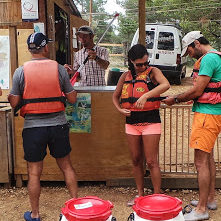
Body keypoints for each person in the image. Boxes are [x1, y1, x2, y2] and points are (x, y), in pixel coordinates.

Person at [8, 32, 78, 221]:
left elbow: (14, 102)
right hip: (58, 126)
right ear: (46, 47)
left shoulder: (20, 71)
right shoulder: (59, 69)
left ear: (29, 50)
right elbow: (72, 98)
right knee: (66, 167)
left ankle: (35, 214)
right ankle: (76, 209)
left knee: (34, 173)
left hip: (33, 128)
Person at [163, 31, 221, 221]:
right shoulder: (215, 56)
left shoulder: (209, 59)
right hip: (211, 113)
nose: (190, 54)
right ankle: (210, 198)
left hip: (207, 116)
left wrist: (176, 98)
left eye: (189, 50)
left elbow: (197, 89)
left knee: (200, 162)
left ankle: (202, 209)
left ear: (196, 43)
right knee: (208, 157)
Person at [112, 44, 170, 206]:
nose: (143, 67)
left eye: (145, 63)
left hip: (151, 120)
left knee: (151, 161)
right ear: (131, 61)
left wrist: (146, 96)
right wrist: (120, 110)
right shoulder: (125, 75)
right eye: (139, 64)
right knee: (136, 160)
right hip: (131, 122)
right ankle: (140, 194)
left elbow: (165, 85)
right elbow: (115, 97)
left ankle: (157, 195)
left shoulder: (153, 72)